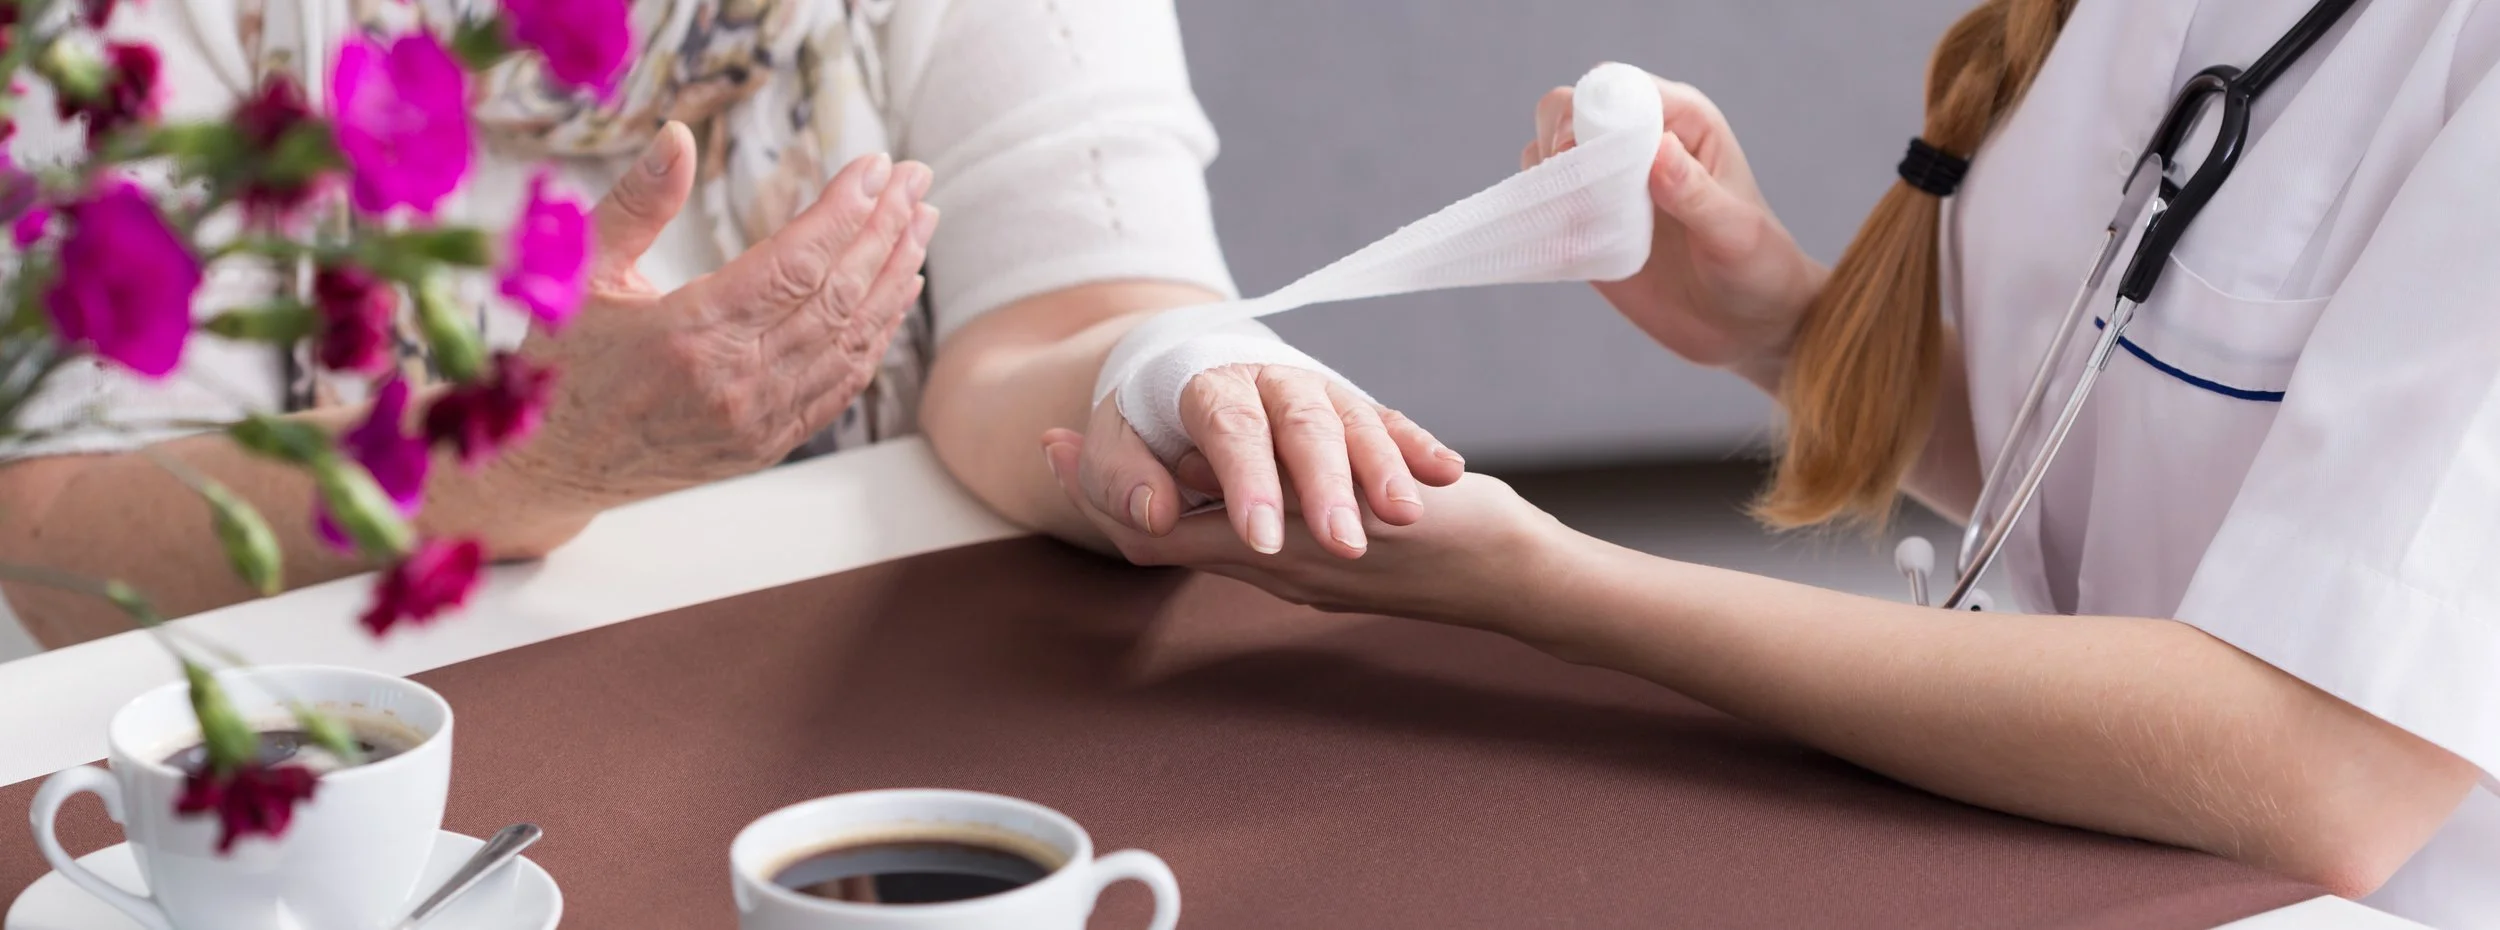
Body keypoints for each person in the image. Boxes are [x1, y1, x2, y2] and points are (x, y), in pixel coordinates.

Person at [1042, 0, 2500, 924]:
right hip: (2078, 856)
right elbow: (2120, 447)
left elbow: (2325, 763)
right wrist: (1785, 326)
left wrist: (1544, 582)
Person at [0, 0, 1455, 646]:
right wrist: (522, 452)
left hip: (845, 728)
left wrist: (1176, 371)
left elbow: (1070, 311)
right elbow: (63, 543)